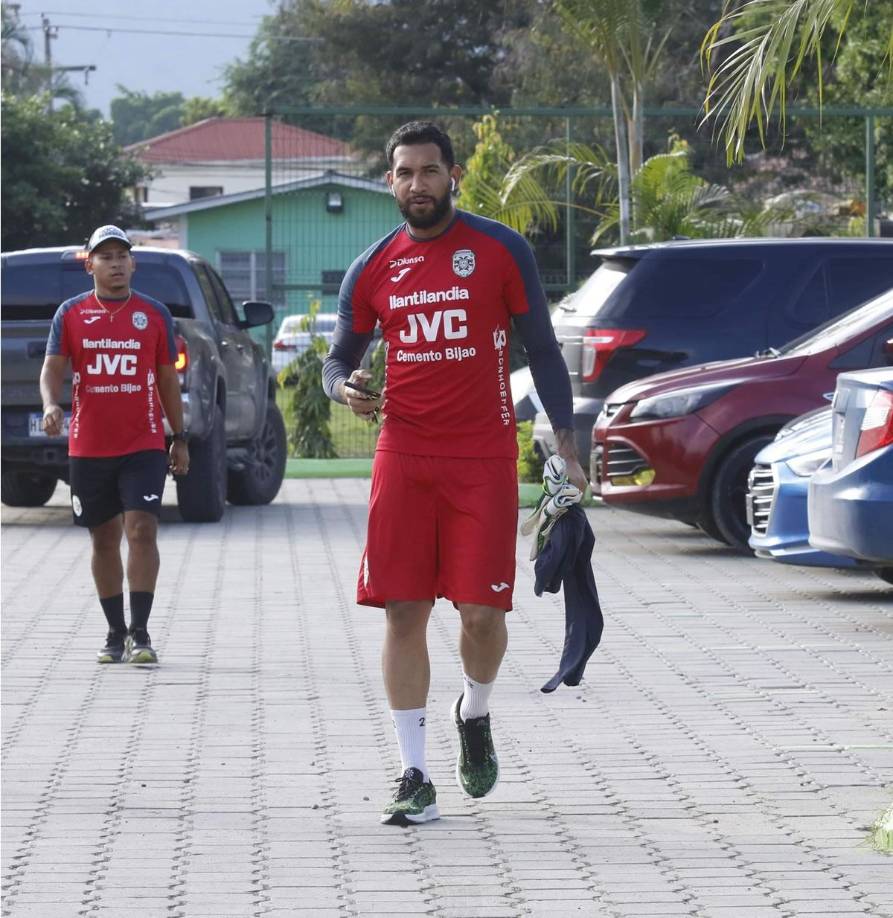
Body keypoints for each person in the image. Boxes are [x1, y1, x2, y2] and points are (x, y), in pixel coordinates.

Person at [322, 122, 586, 826]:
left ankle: (474, 711)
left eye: (430, 170)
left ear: (453, 175)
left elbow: (543, 351)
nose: (418, 184)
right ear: (390, 181)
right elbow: (337, 359)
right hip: (402, 456)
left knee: (482, 615)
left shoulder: (500, 250)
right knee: (403, 610)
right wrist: (344, 388)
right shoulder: (371, 268)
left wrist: (565, 446)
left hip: (482, 459)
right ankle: (413, 772)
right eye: (405, 172)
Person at [40, 225, 189, 665]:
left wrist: (178, 437)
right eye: (105, 257)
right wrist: (50, 404)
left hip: (143, 443)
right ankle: (114, 631)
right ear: (90, 265)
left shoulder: (154, 314)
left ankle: (140, 632)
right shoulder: (71, 314)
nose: (116, 264)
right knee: (103, 538)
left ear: (133, 263)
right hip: (89, 448)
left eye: (122, 256)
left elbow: (167, 380)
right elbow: (52, 368)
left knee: (142, 530)